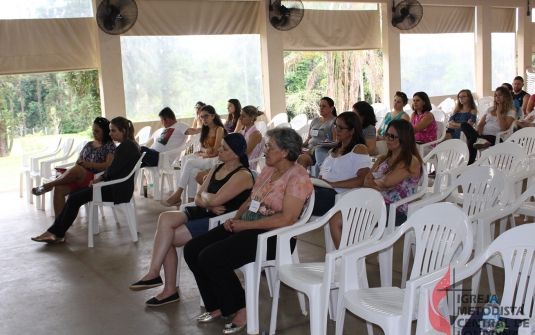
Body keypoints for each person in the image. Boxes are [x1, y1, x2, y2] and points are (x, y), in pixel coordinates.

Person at [183, 127, 313, 334]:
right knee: (192, 249)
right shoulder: (269, 169)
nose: (265, 150)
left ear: (286, 152)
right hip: (250, 225)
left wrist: (246, 225)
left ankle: (242, 308)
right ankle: (216, 305)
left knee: (210, 257)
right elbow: (250, 200)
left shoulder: (297, 176)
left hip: (275, 237)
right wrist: (234, 220)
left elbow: (287, 218)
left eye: (270, 147)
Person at [129, 133, 254, 306]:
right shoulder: (217, 168)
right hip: (205, 212)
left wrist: (207, 198)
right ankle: (154, 272)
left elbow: (215, 200)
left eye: (224, 148)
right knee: (165, 218)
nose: (219, 149)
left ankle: (169, 290)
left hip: (219, 222)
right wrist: (208, 200)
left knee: (167, 239)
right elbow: (198, 197)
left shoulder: (242, 175)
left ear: (235, 154)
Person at [31, 117, 141, 244]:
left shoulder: (126, 147)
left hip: (115, 190)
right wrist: (100, 179)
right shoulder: (129, 145)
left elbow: (111, 170)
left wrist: (100, 178)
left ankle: (57, 233)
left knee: (74, 198)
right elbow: (114, 170)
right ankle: (56, 231)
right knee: (73, 195)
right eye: (110, 131)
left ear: (123, 130)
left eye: (113, 131)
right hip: (115, 187)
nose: (110, 134)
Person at [31, 117, 116, 216]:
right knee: (59, 189)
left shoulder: (109, 146)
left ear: (105, 132)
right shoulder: (89, 144)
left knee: (77, 170)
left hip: (95, 179)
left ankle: (48, 185)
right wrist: (81, 163)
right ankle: (59, 225)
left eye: (97, 131)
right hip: (80, 176)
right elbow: (78, 160)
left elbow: (108, 165)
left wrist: (89, 164)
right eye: (93, 130)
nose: (94, 133)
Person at [311, 112, 372, 249]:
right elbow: (323, 175)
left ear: (352, 131)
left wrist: (332, 185)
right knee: (297, 192)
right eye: (335, 127)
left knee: (297, 200)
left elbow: (363, 179)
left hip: (339, 196)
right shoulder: (334, 149)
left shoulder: (359, 149)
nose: (336, 131)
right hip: (324, 191)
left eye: (340, 128)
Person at [161, 105, 227, 206]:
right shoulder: (205, 129)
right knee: (193, 172)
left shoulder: (219, 130)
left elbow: (215, 153)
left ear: (213, 116)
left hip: (215, 161)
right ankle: (190, 203)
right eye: (201, 117)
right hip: (207, 158)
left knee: (189, 162)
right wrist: (205, 150)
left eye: (206, 116)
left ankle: (178, 194)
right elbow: (201, 147)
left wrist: (202, 153)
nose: (203, 119)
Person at [364, 119, 423, 227]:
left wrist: (376, 182)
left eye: (392, 136)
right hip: (377, 202)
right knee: (340, 217)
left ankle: (362, 243)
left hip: (397, 209)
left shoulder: (410, 160)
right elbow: (366, 181)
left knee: (355, 221)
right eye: (387, 135)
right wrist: (380, 186)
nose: (388, 139)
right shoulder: (382, 159)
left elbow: (387, 181)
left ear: (404, 139)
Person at [194, 105, 265, 185]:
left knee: (203, 177)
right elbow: (229, 141)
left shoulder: (255, 134)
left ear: (251, 118)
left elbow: (243, 154)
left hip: (242, 167)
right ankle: (218, 193)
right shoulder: (242, 132)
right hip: (231, 163)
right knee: (198, 175)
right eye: (240, 115)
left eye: (243, 116)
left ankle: (220, 193)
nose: (240, 118)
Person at [460, 86, 516, 164]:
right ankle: (478, 139)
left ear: (506, 96)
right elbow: (481, 124)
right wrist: (478, 134)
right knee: (464, 125)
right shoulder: (490, 109)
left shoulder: (511, 111)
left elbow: (504, 128)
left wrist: (498, 113)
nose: (497, 97)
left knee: (472, 140)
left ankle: (468, 165)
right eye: (496, 95)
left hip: (495, 136)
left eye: (500, 95)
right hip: (482, 136)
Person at [296, 97, 337, 172]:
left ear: (331, 108)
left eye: (324, 106)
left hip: (321, 152)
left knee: (301, 159)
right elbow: (309, 138)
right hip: (307, 150)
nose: (321, 108)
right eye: (320, 106)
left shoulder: (334, 122)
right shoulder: (315, 121)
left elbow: (335, 142)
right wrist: (299, 146)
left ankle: (304, 181)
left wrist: (314, 149)